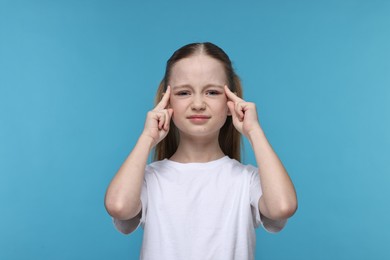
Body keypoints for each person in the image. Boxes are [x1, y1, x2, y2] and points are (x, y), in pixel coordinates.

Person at [104, 42, 298, 260]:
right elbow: (118, 206)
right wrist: (147, 138)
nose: (198, 103)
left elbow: (283, 207)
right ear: (166, 102)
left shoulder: (246, 180)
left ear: (230, 103)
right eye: (184, 92)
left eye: (212, 92)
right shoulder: (150, 179)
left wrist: (253, 130)